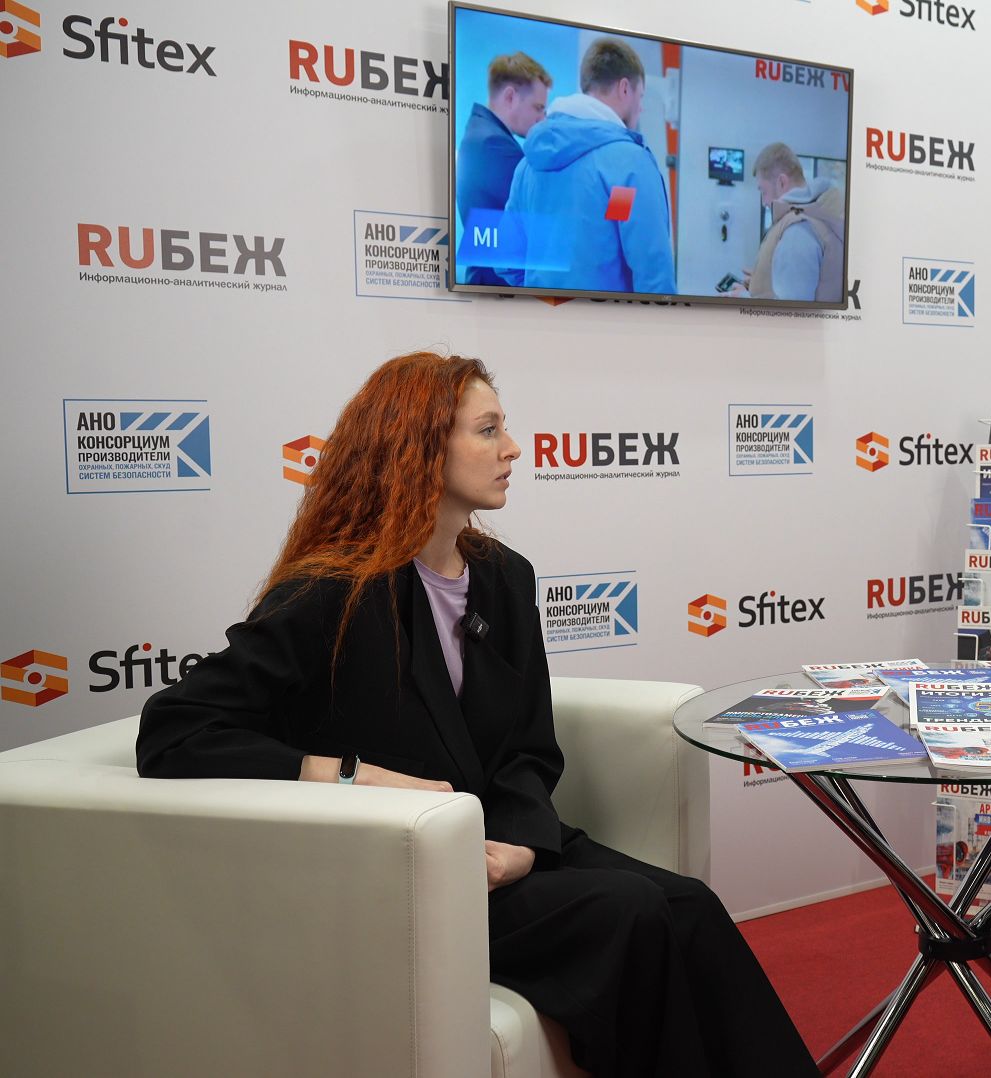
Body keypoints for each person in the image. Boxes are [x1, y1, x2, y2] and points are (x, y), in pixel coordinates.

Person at [136, 352, 816, 1078]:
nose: (513, 449)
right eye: (488, 430)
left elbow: (529, 748)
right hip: (402, 873)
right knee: (632, 912)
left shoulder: (504, 577)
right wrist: (347, 775)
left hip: (500, 849)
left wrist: (523, 843)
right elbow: (175, 729)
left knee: (688, 904)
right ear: (420, 447)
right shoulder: (330, 590)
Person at [503, 37, 673, 295]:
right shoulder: (629, 166)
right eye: (641, 96)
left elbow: (507, 260)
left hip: (539, 317)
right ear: (624, 88)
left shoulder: (527, 166)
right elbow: (652, 274)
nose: (641, 108)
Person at [456, 52, 552, 286]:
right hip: (498, 287)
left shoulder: (481, 132)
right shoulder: (494, 145)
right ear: (510, 96)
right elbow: (540, 213)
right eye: (538, 108)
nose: (542, 119)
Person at [731, 142, 844, 302]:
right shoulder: (818, 213)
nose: (764, 202)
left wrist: (743, 298)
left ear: (782, 182)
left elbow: (791, 311)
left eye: (763, 191)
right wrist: (762, 281)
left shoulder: (797, 231)